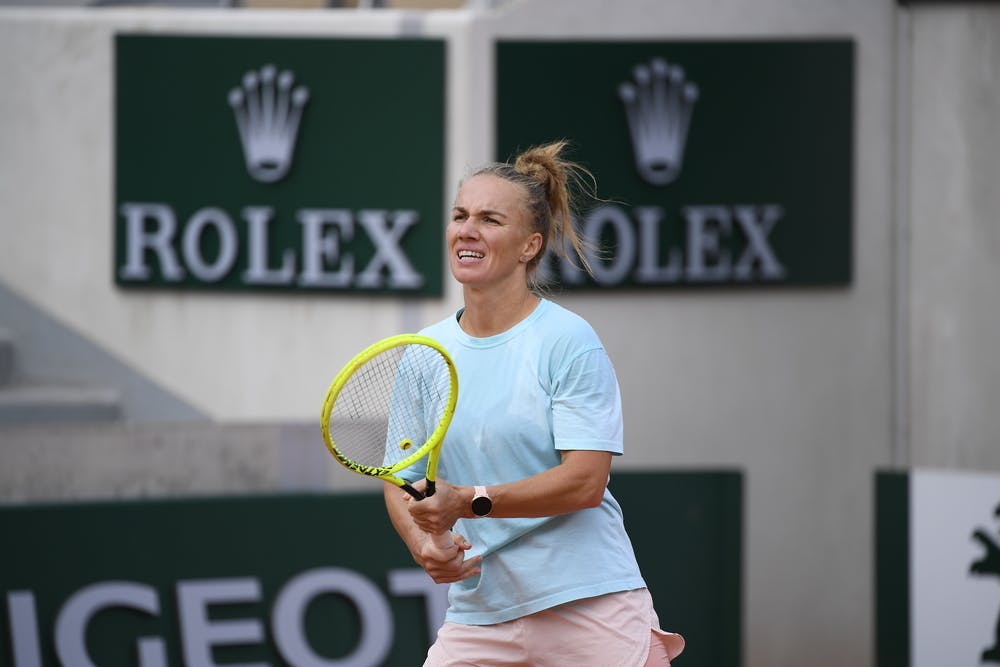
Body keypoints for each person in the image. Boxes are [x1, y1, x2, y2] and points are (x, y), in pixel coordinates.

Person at [383, 140, 685, 666]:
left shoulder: (567, 341)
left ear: (529, 246)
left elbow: (586, 482)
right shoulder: (423, 355)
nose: (467, 229)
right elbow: (400, 478)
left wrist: (469, 500)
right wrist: (423, 543)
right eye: (460, 216)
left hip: (589, 604)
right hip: (480, 613)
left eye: (490, 219)